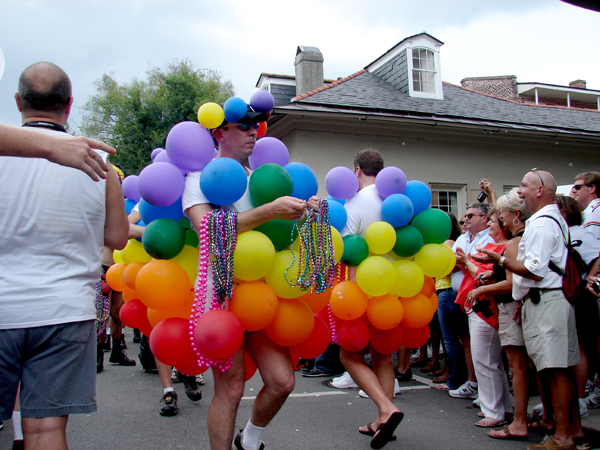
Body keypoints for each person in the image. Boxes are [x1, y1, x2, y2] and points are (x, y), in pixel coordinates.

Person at [0, 62, 129, 449]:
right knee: (46, 431)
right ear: (69, 105)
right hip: (65, 310)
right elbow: (117, 237)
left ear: (18, 101)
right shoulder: (99, 163)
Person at [183, 105, 318, 450]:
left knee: (283, 381)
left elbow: (275, 231)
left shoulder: (262, 178)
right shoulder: (199, 178)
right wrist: (269, 210)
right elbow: (207, 231)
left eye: (256, 125)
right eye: (242, 126)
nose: (253, 132)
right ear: (218, 133)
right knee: (230, 388)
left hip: (261, 293)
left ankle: (250, 439)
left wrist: (304, 213)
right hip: (222, 292)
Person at [478, 170, 585, 450]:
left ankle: (562, 438)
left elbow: (534, 270)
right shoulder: (553, 220)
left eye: (524, 185)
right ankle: (572, 430)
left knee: (554, 370)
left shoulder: (540, 224)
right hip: (552, 300)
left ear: (540, 190)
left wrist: (498, 259)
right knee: (560, 369)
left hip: (546, 301)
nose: (520, 190)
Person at [331, 149, 403, 449]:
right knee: (383, 355)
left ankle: (387, 410)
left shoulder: (354, 204)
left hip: (361, 289)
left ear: (357, 170)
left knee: (349, 356)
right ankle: (381, 421)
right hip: (395, 286)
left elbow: (346, 252)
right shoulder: (396, 199)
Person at [127, 206, 202, 416]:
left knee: (194, 326)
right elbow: (125, 226)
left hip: (194, 269)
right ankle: (168, 390)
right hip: (162, 272)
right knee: (162, 327)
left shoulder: (197, 192)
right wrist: (156, 232)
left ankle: (188, 371)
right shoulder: (152, 198)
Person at [459, 209, 512, 428]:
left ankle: (493, 411)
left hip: (487, 308)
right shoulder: (490, 247)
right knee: (491, 362)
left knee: (485, 360)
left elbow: (482, 276)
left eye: (493, 222)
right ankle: (504, 407)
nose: (489, 225)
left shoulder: (506, 248)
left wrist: (466, 262)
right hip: (477, 306)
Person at [440, 203, 493, 398]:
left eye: (470, 216)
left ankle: (486, 391)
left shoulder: (490, 237)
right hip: (461, 297)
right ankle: (472, 382)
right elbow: (450, 265)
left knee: (486, 346)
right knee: (465, 340)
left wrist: (465, 262)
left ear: (484, 218)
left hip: (482, 297)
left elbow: (480, 265)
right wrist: (463, 263)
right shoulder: (462, 238)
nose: (465, 220)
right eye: (464, 217)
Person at [0, 122, 115, 181]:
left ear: (18, 101)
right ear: (69, 104)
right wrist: (51, 144)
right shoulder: (99, 158)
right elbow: (118, 227)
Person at [432, 213, 462, 386]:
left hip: (447, 290)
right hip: (443, 290)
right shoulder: (443, 243)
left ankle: (453, 378)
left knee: (450, 339)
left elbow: (451, 266)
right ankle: (449, 372)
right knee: (448, 338)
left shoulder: (448, 243)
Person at [570, 172, 600, 239]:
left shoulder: (593, 213)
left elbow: (593, 246)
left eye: (577, 187)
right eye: (573, 187)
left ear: (592, 188)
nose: (573, 191)